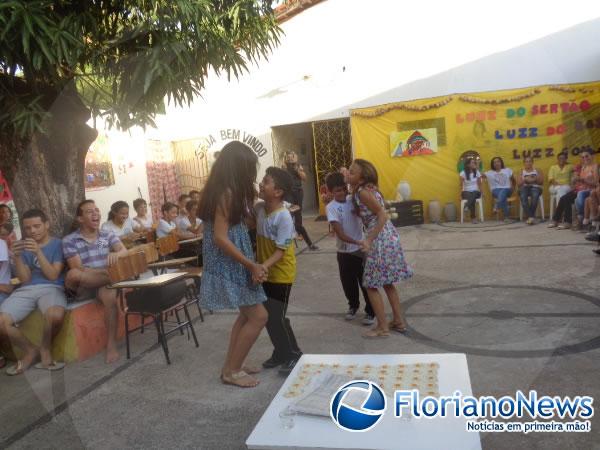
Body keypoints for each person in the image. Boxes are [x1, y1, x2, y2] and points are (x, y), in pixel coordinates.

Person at [198, 141, 268, 388]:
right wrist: (250, 264)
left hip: (234, 258)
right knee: (259, 316)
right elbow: (220, 237)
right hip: (228, 262)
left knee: (246, 314)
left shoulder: (228, 190)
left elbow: (237, 225)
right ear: (237, 167)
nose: (252, 172)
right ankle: (232, 371)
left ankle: (233, 363)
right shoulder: (226, 192)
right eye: (249, 167)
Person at [348, 159, 413, 338]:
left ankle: (382, 327)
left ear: (361, 180)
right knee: (386, 282)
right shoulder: (364, 191)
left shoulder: (362, 192)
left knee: (370, 284)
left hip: (380, 239)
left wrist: (369, 239)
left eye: (352, 172)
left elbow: (382, 215)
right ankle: (398, 321)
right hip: (387, 237)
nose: (348, 173)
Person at [0, 209, 66, 375]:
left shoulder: (57, 244)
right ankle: (30, 350)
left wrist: (38, 251)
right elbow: (25, 280)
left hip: (52, 287)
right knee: (1, 323)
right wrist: (16, 257)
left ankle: (45, 348)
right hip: (27, 289)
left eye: (37, 226)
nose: (32, 231)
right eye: (28, 228)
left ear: (47, 224)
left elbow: (52, 275)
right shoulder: (23, 246)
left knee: (55, 316)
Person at [63, 200, 128, 363]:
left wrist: (117, 254)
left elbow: (123, 250)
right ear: (80, 219)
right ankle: (116, 277)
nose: (95, 214)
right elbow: (79, 269)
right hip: (83, 287)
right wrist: (108, 273)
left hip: (103, 284)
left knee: (110, 299)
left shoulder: (107, 235)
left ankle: (111, 344)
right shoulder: (70, 240)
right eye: (89, 211)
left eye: (97, 210)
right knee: (74, 274)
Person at [256, 167, 302, 375]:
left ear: (278, 192)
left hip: (281, 274)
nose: (261, 184)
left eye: (266, 182)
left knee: (278, 317)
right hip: (265, 272)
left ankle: (294, 354)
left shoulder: (283, 216)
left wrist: (263, 266)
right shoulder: (259, 209)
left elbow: (281, 251)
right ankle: (280, 352)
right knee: (267, 316)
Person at [325, 171, 374, 325]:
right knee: (348, 283)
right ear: (330, 192)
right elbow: (339, 233)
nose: (342, 193)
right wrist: (358, 242)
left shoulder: (353, 200)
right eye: (337, 190)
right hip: (344, 252)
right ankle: (353, 306)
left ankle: (371, 311)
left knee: (365, 282)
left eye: (343, 189)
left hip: (359, 251)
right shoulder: (331, 207)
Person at [550, 150, 597, 230]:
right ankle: (556, 220)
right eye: (582, 157)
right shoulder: (582, 167)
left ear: (592, 156)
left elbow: (596, 182)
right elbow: (576, 180)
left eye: (587, 156)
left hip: (589, 190)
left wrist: (582, 180)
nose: (584, 158)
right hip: (579, 189)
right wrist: (574, 180)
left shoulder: (595, 166)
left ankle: (570, 221)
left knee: (570, 197)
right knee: (563, 198)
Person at [283, 151, 318, 250]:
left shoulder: (298, 166)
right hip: (288, 194)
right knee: (287, 218)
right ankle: (285, 246)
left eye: (292, 157)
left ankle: (310, 244)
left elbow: (304, 178)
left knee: (298, 220)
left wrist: (296, 169)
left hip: (298, 193)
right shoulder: (283, 168)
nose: (290, 159)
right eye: (288, 157)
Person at [484, 156, 514, 222]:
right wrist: (477, 165)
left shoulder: (507, 170)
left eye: (498, 161)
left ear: (501, 162)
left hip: (508, 190)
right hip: (495, 191)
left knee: (503, 191)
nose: (496, 163)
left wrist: (513, 187)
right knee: (503, 196)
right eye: (494, 162)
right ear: (493, 164)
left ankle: (497, 206)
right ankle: (506, 217)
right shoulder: (489, 172)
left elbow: (513, 180)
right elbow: (479, 175)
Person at [518, 156, 544, 225]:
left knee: (535, 195)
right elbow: (519, 184)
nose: (528, 163)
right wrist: (525, 179)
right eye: (526, 161)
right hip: (524, 188)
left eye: (530, 161)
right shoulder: (521, 171)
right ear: (524, 163)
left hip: (535, 187)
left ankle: (530, 217)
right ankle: (531, 217)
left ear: (532, 162)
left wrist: (534, 179)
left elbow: (541, 182)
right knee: (523, 197)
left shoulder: (537, 170)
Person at [460, 157, 482, 224]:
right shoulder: (462, 173)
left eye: (474, 162)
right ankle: (473, 218)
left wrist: (482, 192)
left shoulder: (477, 172)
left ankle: (466, 206)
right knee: (471, 197)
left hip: (476, 192)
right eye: (472, 162)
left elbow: (480, 184)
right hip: (466, 192)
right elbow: (461, 185)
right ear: (468, 164)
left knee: (474, 192)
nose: (474, 163)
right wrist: (459, 194)